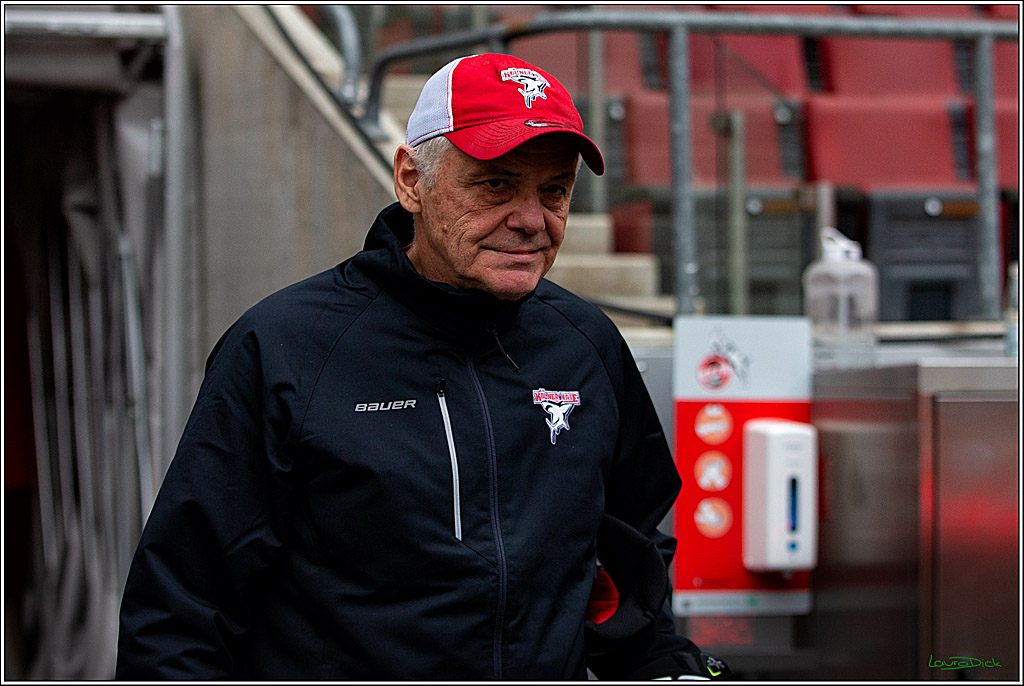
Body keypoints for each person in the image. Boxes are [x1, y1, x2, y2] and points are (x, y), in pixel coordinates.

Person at [116, 52, 731, 681]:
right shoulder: (285, 348)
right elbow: (178, 616)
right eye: (496, 183)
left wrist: (666, 666)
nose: (530, 220)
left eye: (555, 191)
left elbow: (629, 565)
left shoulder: (587, 345)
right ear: (411, 179)